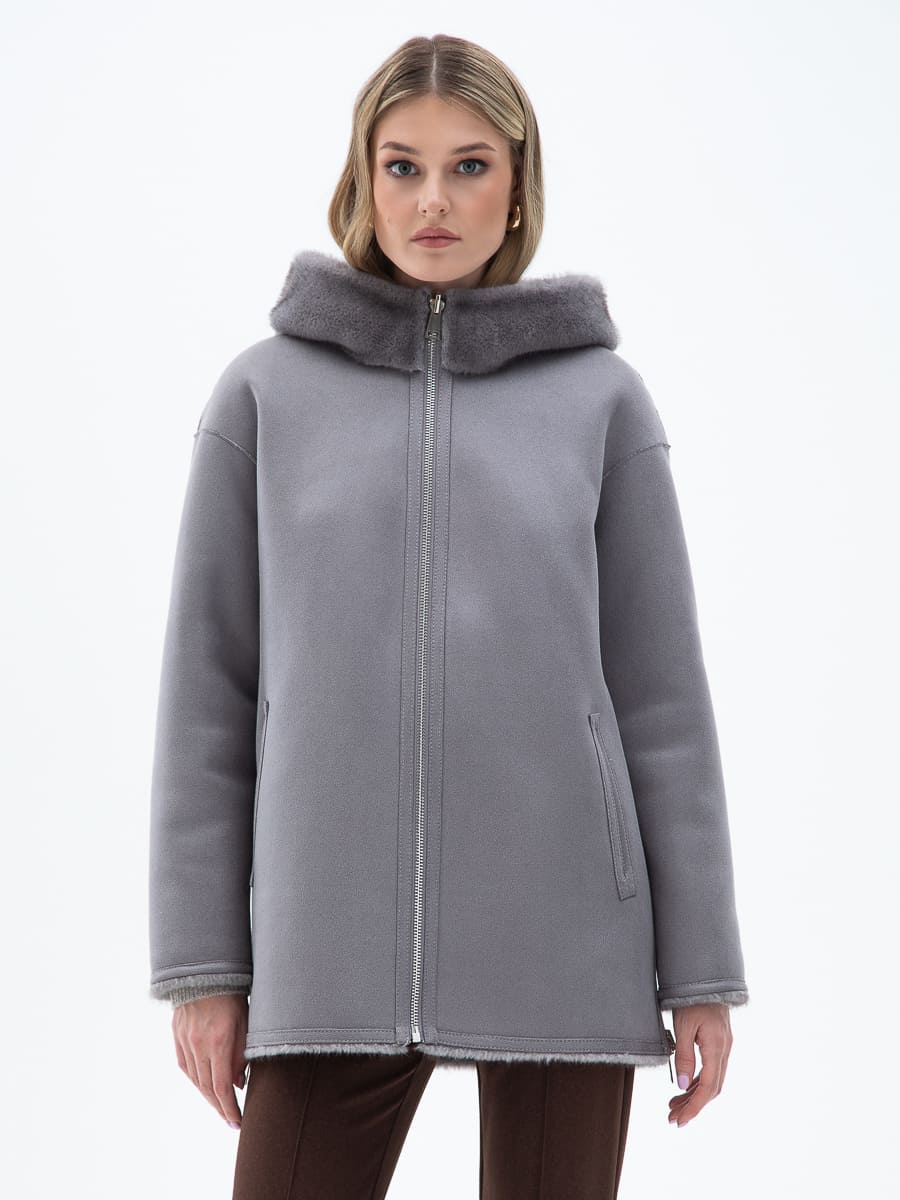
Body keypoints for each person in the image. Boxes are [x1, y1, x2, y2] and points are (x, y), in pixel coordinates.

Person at [147, 33, 750, 1200]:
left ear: (517, 184)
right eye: (403, 165)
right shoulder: (266, 394)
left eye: (470, 166)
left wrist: (701, 974)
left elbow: (663, 702)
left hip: (567, 939)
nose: (433, 200)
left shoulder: (600, 401)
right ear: (362, 180)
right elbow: (208, 698)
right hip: (329, 945)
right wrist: (204, 968)